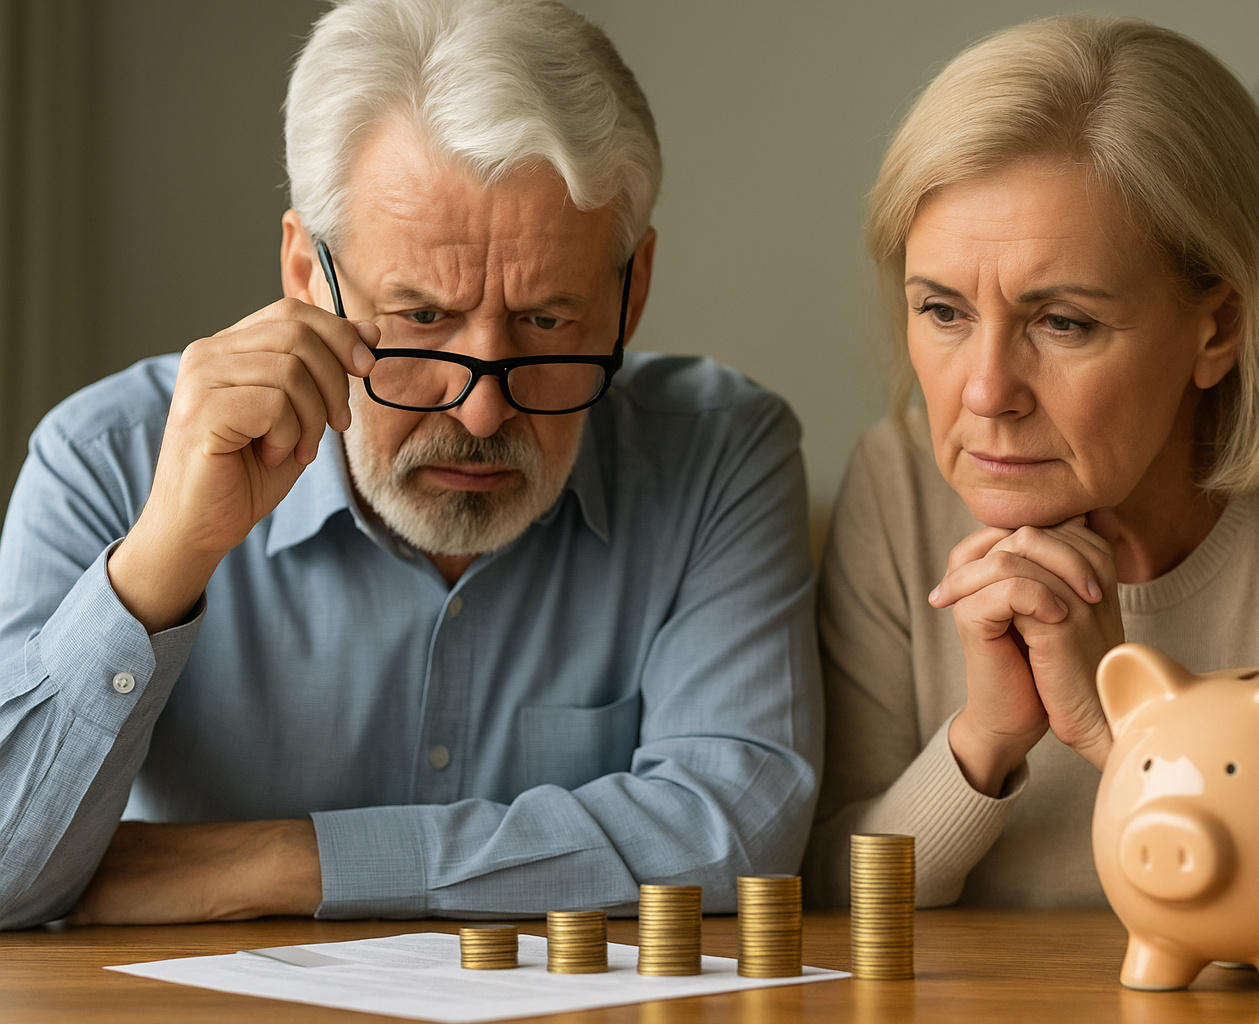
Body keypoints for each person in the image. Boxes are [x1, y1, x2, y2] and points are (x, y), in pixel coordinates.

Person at [0, 0, 821, 930]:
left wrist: (275, 860)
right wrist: (163, 562)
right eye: (422, 319)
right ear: (308, 274)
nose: (482, 408)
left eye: (548, 323)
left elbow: (735, 833)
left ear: (631, 294)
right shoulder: (104, 460)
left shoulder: (720, 454)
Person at [805, 16, 1259, 947]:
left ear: (1218, 327)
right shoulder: (899, 479)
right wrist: (980, 741)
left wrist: (1141, 747)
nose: (985, 392)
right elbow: (826, 882)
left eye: (1062, 322)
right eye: (942, 311)